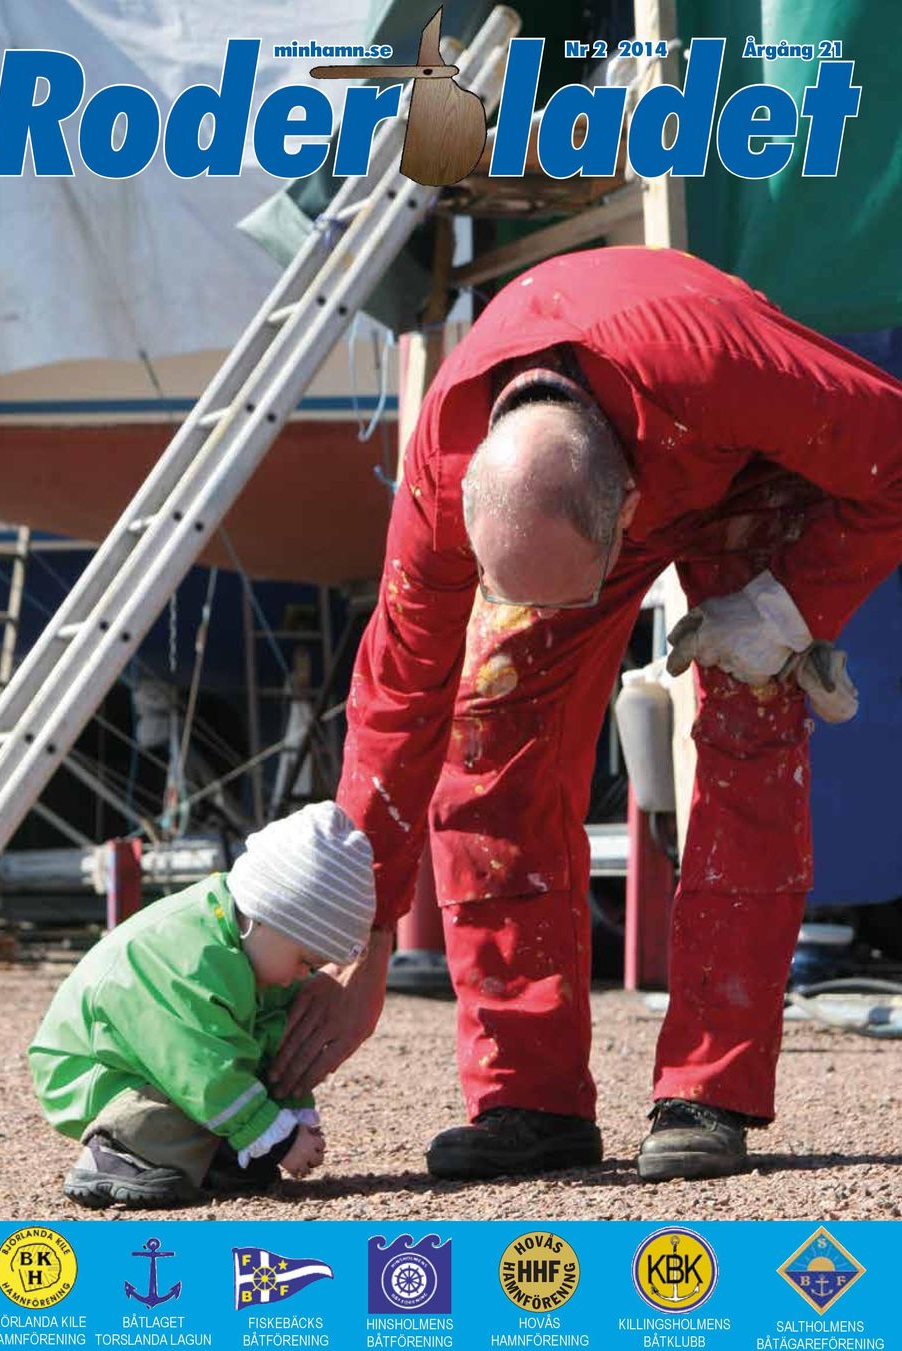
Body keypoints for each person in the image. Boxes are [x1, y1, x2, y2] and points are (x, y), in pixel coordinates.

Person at [269, 246, 902, 1184]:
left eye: (576, 596)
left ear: (631, 509)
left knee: (750, 722)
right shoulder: (443, 475)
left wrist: (787, 610)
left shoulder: (732, 366)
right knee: (489, 728)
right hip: (592, 483)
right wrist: (361, 941)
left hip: (744, 461)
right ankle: (529, 1097)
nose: (558, 628)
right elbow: (397, 707)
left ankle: (707, 1093)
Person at [29, 802, 375, 1207]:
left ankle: (206, 1154)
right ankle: (122, 1150)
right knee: (205, 1077)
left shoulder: (250, 954)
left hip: (156, 1064)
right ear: (265, 915)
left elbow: (273, 1039)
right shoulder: (184, 956)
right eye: (306, 961)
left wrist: (291, 1111)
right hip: (93, 1069)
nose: (307, 976)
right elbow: (199, 1062)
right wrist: (276, 1137)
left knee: (229, 1075)